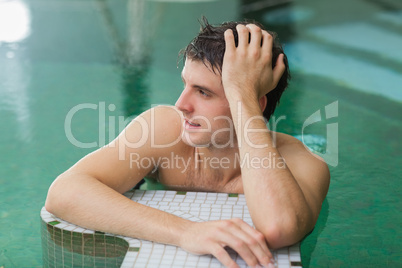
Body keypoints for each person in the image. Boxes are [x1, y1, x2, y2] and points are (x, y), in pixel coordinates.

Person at [46, 18, 330, 268]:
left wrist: (242, 95)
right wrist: (186, 232)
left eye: (203, 92)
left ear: (253, 103)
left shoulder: (301, 161)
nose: (181, 105)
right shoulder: (162, 130)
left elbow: (279, 228)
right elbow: (63, 193)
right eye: (185, 84)